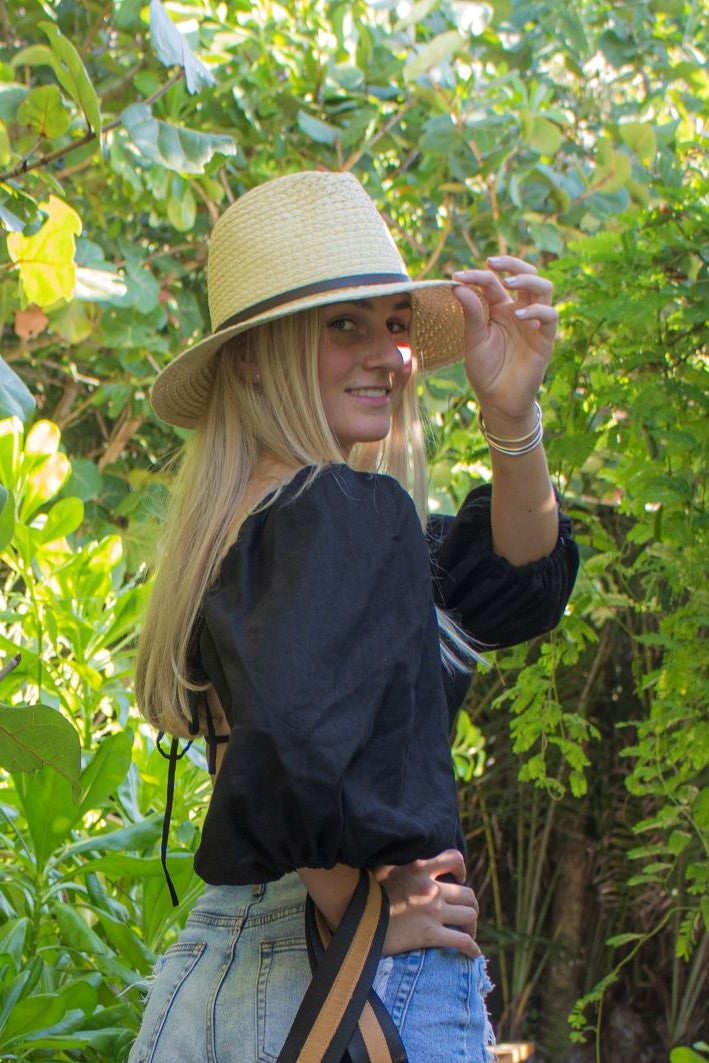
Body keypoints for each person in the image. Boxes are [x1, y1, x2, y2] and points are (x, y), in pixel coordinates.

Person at [129, 170, 579, 1063]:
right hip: (354, 970)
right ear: (255, 354)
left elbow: (513, 584)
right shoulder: (343, 510)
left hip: (216, 968)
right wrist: (367, 912)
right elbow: (294, 748)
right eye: (346, 326)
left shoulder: (244, 528)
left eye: (397, 324)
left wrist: (511, 416)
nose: (390, 354)